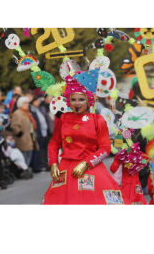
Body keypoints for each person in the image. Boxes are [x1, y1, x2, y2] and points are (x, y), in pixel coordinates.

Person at [42, 76, 131, 204]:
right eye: (73, 99)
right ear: (69, 101)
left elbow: (105, 148)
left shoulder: (97, 120)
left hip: (91, 166)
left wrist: (86, 163)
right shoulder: (64, 119)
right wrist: (54, 163)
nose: (77, 103)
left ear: (89, 101)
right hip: (66, 169)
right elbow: (54, 143)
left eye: (81, 99)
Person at [11, 96, 37, 171]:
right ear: (20, 104)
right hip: (22, 137)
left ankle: (25, 170)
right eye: (25, 103)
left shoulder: (27, 113)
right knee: (23, 155)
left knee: (29, 154)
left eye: (27, 103)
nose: (27, 104)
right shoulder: (18, 113)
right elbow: (14, 125)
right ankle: (23, 170)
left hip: (29, 136)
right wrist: (20, 133)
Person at [30, 95, 47, 173]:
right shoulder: (32, 111)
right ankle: (36, 166)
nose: (38, 102)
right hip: (38, 133)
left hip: (42, 132)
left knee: (41, 150)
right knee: (37, 150)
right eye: (37, 101)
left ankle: (41, 164)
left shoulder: (38, 109)